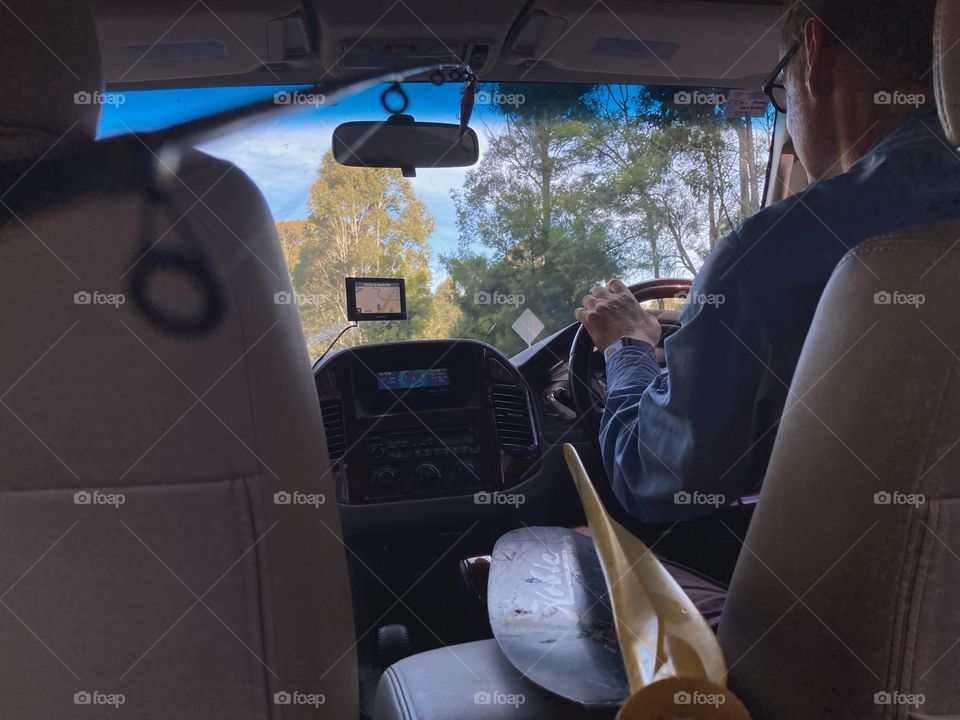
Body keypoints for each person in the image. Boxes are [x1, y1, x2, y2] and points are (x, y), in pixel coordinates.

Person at [577, 0, 960, 531]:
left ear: (816, 54)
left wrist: (627, 349)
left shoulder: (770, 255)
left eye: (780, 87)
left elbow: (657, 482)